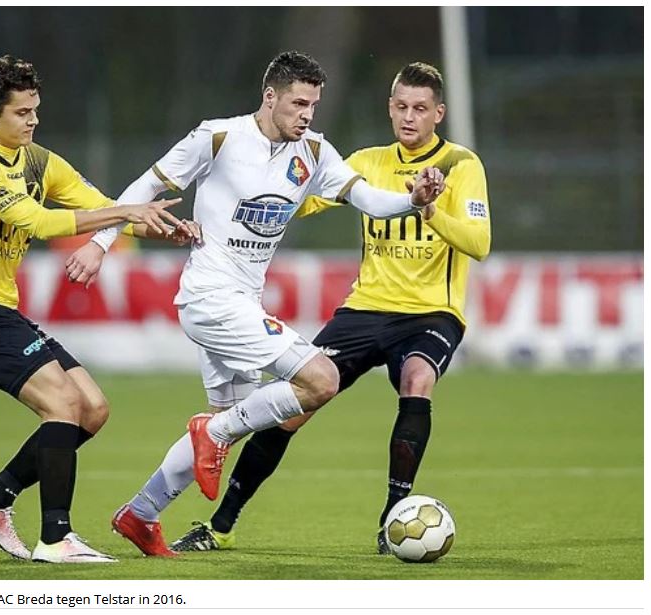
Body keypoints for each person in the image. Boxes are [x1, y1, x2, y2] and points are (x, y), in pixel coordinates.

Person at [65, 51, 445, 557]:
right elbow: (148, 185)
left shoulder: (313, 152)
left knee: (240, 417)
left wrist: (413, 200)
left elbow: (370, 199)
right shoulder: (218, 137)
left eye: (313, 104)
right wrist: (100, 242)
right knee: (320, 380)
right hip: (209, 296)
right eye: (297, 103)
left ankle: (141, 513)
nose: (307, 114)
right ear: (270, 97)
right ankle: (212, 431)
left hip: (241, 300)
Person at [167, 61, 491, 555]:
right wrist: (240, 200)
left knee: (417, 380)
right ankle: (220, 525)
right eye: (401, 106)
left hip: (432, 313)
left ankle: (392, 519)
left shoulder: (459, 165)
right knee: (294, 402)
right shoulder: (364, 160)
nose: (409, 117)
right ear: (389, 107)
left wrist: (429, 207)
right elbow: (299, 198)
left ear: (439, 113)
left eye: (420, 109)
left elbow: (479, 242)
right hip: (365, 309)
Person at [0, 55, 197, 564]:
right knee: (63, 406)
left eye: (36, 110)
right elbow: (39, 222)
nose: (33, 120)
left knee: (93, 409)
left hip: (0, 309)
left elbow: (96, 203)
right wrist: (127, 210)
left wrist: (166, 229)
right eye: (21, 112)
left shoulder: (38, 159)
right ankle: (56, 537)